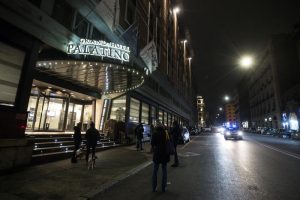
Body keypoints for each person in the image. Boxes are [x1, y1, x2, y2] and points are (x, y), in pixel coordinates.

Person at [151, 120, 170, 192]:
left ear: (156, 127)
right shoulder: (166, 133)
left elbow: (152, 144)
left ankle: (154, 187)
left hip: (157, 154)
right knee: (164, 171)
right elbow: (168, 142)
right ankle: (163, 188)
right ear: (162, 127)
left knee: (155, 171)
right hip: (164, 154)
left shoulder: (154, 133)